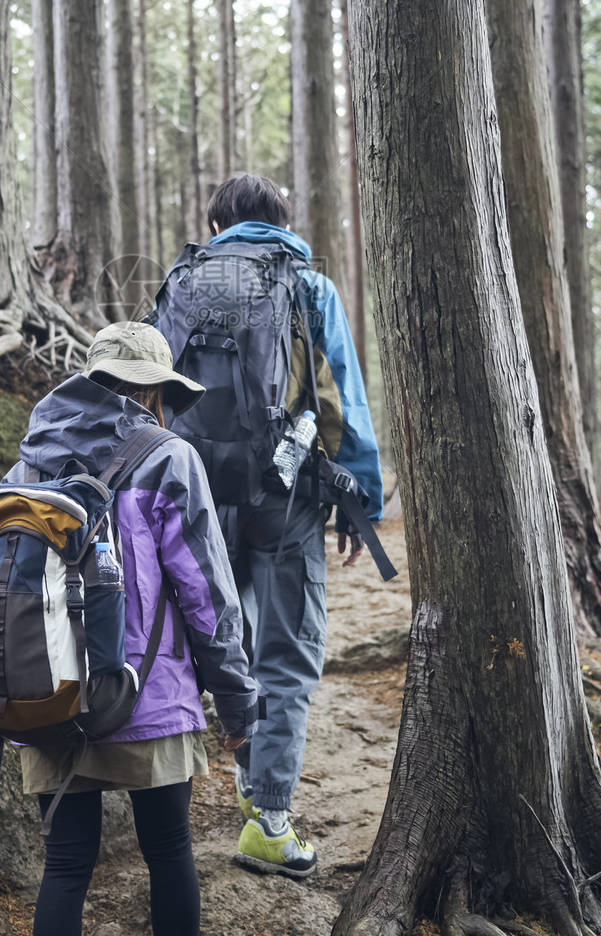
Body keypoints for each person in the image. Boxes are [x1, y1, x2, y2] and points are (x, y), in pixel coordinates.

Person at [155, 173, 383, 879]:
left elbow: (151, 388)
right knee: (286, 655)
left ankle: (218, 783)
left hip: (198, 496)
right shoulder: (305, 283)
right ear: (280, 220)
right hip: (286, 497)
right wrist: (360, 500)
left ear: (218, 220)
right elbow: (342, 392)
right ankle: (270, 818)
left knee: (219, 637)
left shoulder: (184, 278)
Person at [4, 322, 258, 936]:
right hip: (146, 692)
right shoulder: (170, 457)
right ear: (155, 392)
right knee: (169, 851)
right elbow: (206, 593)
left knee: (64, 866)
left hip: (50, 690)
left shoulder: (27, 463)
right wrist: (236, 701)